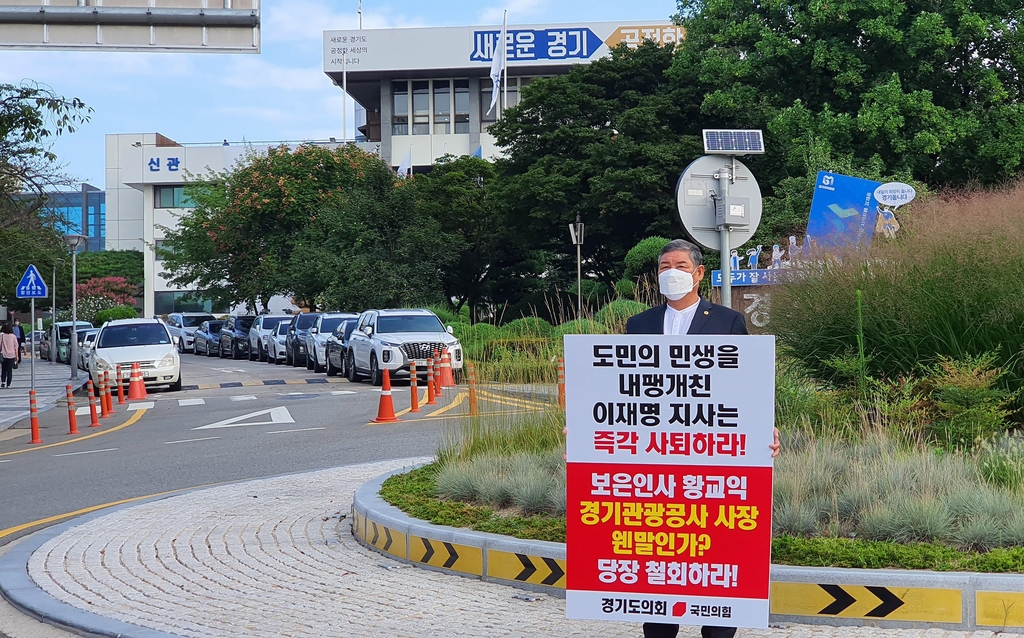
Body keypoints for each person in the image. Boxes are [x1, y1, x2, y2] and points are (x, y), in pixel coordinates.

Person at [627, 239, 780, 638]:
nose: (670, 271)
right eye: (663, 266)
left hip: (714, 461)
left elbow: (746, 382)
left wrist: (765, 423)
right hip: (657, 460)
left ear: (698, 273)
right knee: (663, 555)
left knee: (716, 549)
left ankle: (718, 626)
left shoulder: (727, 320)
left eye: (679, 264)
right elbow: (622, 389)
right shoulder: (638, 324)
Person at [1, 323, 19, 389]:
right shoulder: (13, 336)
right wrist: (17, 356)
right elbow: (16, 347)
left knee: (3, 369)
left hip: (3, 355)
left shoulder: (2, 336)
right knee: (9, 370)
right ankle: (8, 384)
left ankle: (3, 382)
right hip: (12, 355)